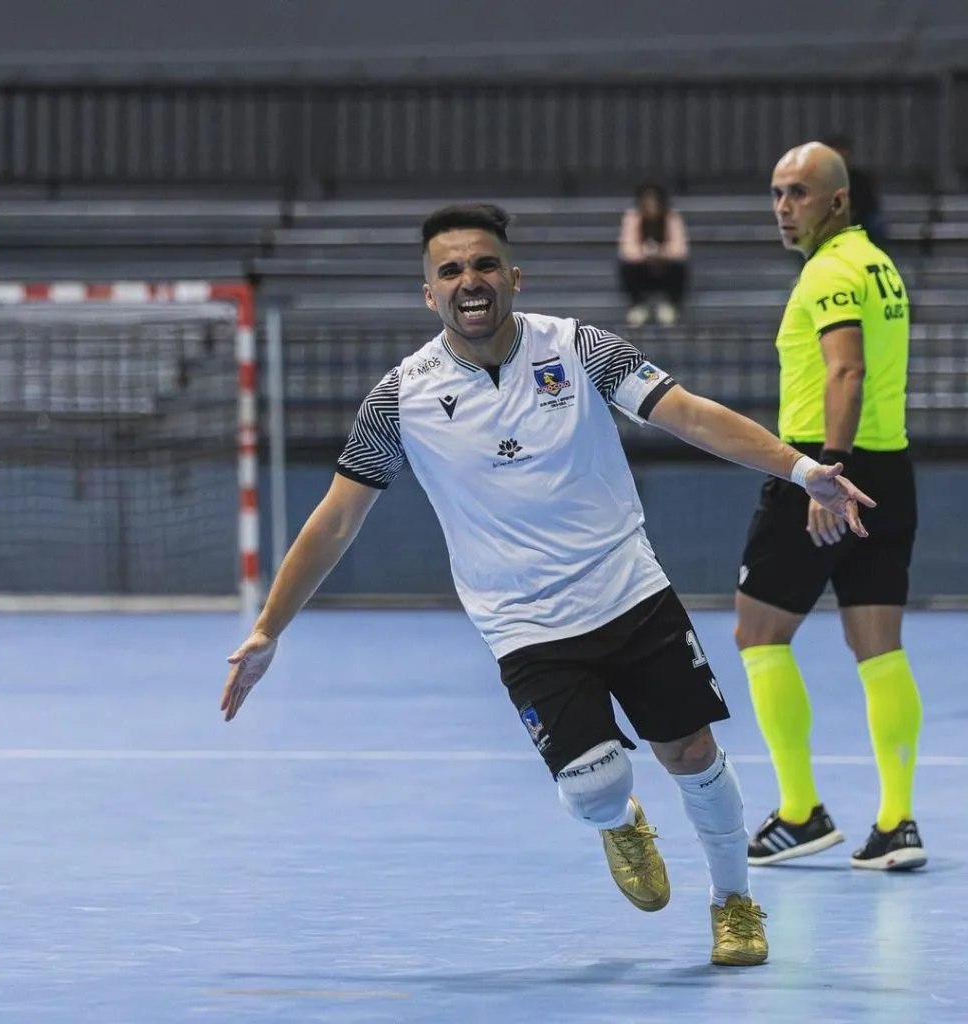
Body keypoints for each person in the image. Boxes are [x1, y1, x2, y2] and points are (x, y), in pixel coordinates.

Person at [220, 203, 874, 966]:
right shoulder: (399, 398)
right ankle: (618, 821)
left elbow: (689, 416)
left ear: (513, 275)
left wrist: (802, 471)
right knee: (596, 783)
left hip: (629, 591)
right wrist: (270, 627)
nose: (471, 281)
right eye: (451, 270)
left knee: (691, 752)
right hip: (525, 625)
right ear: (429, 294)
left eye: (485, 264)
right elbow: (334, 522)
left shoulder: (580, 347)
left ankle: (735, 903)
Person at [734, 143, 926, 872]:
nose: (784, 208)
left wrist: (827, 472)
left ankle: (799, 811)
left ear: (837, 201)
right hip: (893, 467)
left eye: (800, 194)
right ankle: (897, 822)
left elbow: (846, 366)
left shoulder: (830, 269)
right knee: (879, 649)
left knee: (758, 634)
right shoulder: (879, 264)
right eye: (778, 193)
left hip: (826, 463)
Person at [618, 182, 690, 327]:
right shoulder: (632, 217)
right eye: (647, 201)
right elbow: (627, 250)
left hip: (665, 267)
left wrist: (660, 254)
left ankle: (670, 305)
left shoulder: (672, 217)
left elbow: (681, 250)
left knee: (678, 266)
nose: (651, 205)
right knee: (626, 267)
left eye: (654, 201)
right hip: (642, 268)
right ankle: (638, 306)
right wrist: (646, 255)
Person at [824, 135, 888, 250]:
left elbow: (868, 202)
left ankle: (874, 255)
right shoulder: (820, 179)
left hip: (858, 218)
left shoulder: (860, 178)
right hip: (829, 218)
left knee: (876, 224)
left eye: (843, 153)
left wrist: (852, 213)